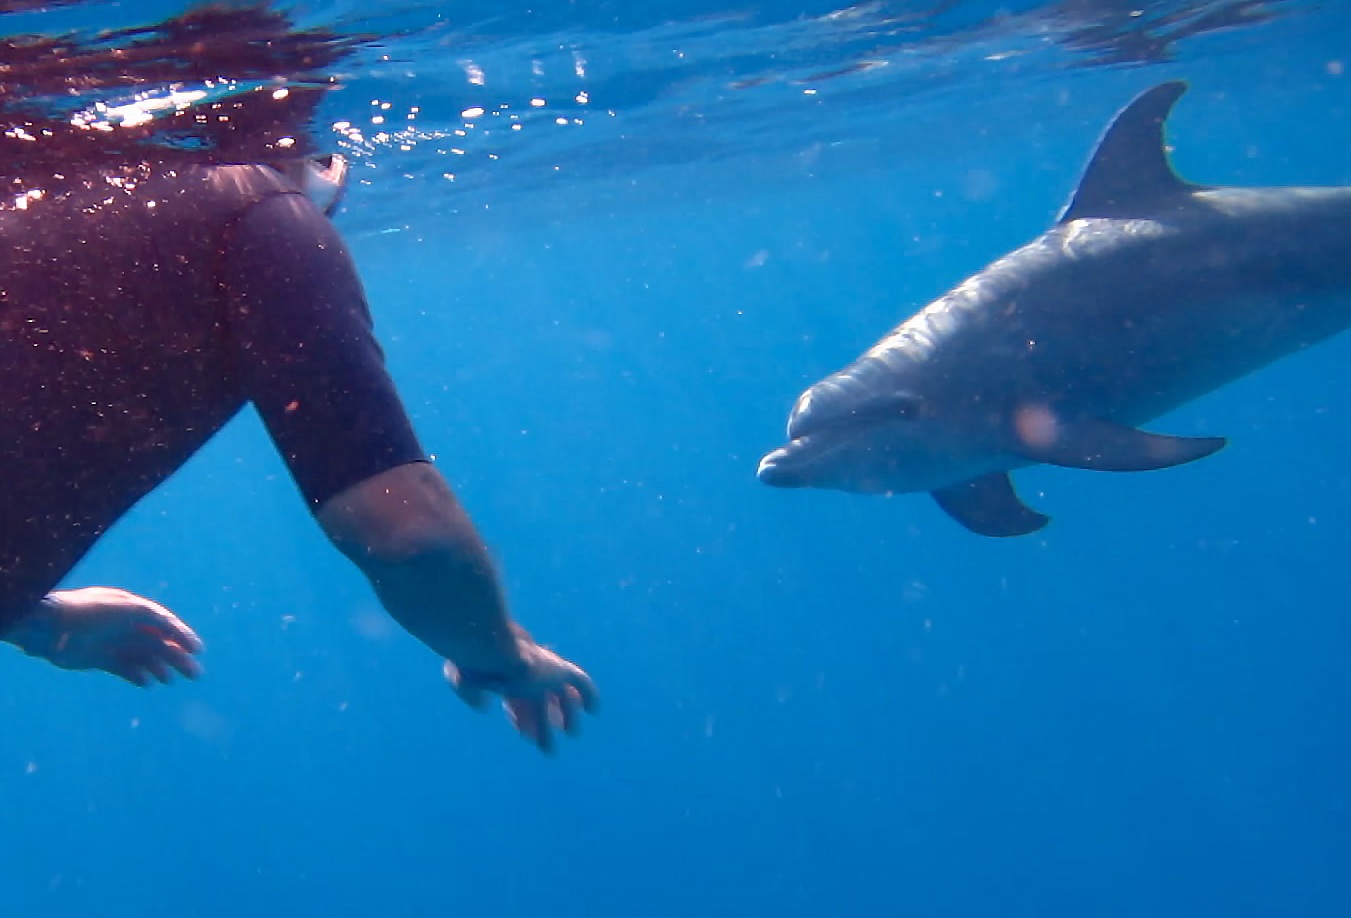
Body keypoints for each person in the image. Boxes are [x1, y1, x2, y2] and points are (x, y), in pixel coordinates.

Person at [0, 154, 596, 753]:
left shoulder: (43, 201)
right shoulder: (256, 216)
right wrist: (500, 655)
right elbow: (410, 540)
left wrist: (34, 619)